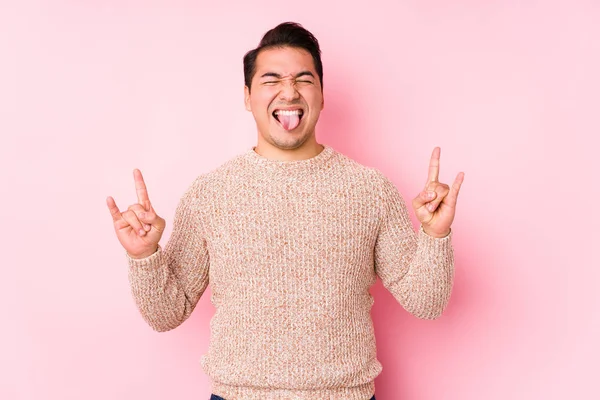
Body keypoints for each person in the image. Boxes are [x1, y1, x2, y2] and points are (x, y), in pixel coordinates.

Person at [107, 22, 464, 400]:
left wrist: (435, 235)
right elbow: (166, 314)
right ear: (247, 96)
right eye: (271, 79)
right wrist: (144, 255)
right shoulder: (210, 194)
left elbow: (426, 303)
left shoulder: (370, 190)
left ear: (323, 95)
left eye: (304, 80)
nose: (289, 92)